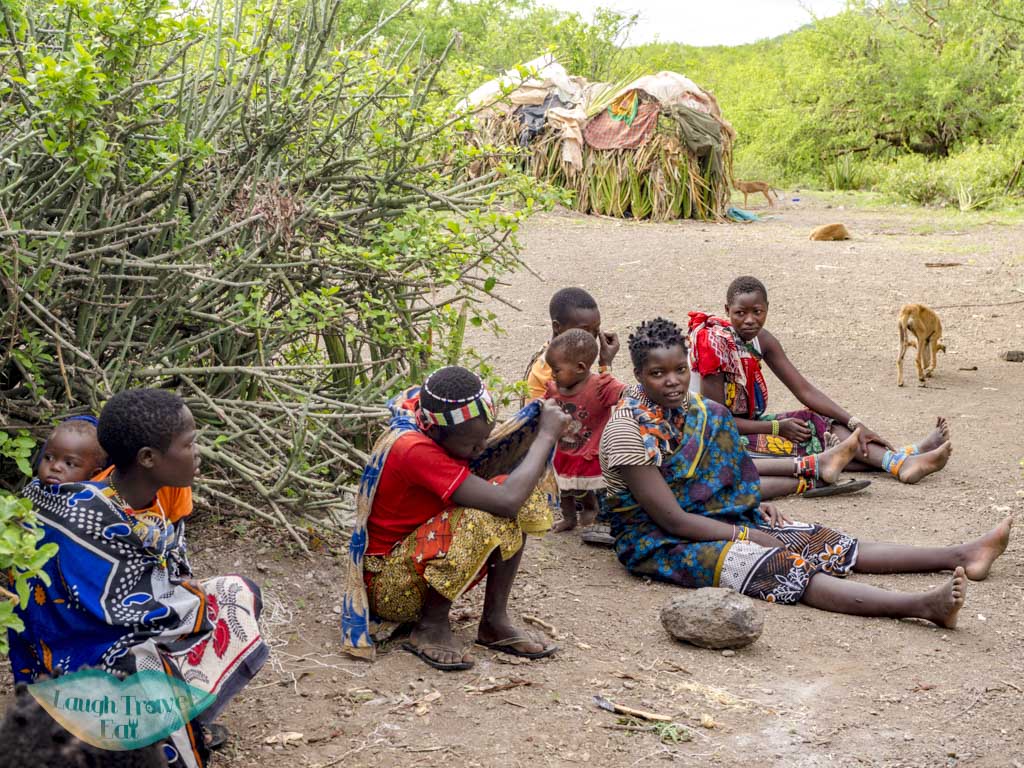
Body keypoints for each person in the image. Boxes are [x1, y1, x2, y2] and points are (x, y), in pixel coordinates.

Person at [599, 317, 1012, 625]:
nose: (672, 382)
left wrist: (750, 507)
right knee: (783, 567)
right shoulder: (627, 432)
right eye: (658, 374)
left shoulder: (698, 411)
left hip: (717, 520)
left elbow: (726, 478)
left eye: (679, 371)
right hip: (658, 542)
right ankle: (921, 607)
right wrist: (746, 533)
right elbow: (671, 518)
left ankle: (962, 554)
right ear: (637, 375)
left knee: (819, 541)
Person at [8, 389, 269, 768]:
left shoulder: (142, 504)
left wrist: (187, 600)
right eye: (189, 443)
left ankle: (171, 721)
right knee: (147, 661)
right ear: (148, 458)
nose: (198, 452)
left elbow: (160, 581)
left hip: (110, 641)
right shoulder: (85, 516)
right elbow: (128, 616)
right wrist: (188, 605)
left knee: (236, 593)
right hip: (78, 664)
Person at [341, 366, 571, 671]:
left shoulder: (433, 418)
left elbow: (512, 496)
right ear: (436, 432)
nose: (478, 450)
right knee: (485, 516)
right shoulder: (413, 449)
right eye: (472, 445)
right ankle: (430, 627)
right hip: (390, 587)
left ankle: (493, 621)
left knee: (520, 491)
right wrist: (545, 435)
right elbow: (505, 502)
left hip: (417, 560)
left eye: (483, 440)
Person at [688, 276, 952, 483]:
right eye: (739, 313)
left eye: (757, 312)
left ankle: (901, 460)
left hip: (747, 425)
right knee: (817, 445)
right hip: (713, 439)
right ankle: (904, 458)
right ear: (727, 311)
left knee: (824, 423)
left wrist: (856, 423)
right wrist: (776, 429)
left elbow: (804, 390)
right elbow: (717, 422)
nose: (749, 320)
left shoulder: (761, 340)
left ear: (767, 309)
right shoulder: (714, 346)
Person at [544, 328, 626, 533]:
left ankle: (591, 512)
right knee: (564, 490)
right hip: (562, 453)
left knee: (586, 490)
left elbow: (625, 393)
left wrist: (605, 364)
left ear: (580, 367)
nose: (553, 374)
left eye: (557, 370)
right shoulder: (554, 389)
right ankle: (569, 518)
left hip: (589, 454)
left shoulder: (599, 387)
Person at [525, 286, 620, 401]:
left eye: (596, 330)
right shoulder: (553, 371)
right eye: (583, 331)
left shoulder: (560, 353)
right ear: (557, 327)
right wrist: (605, 365)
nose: (590, 338)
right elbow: (590, 406)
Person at [36, 415, 108, 486]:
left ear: (94, 474)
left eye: (69, 464)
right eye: (49, 458)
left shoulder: (87, 497)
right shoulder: (34, 487)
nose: (55, 467)